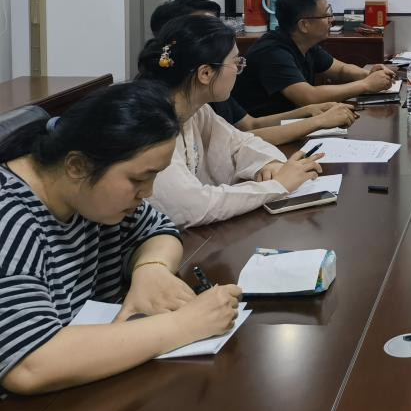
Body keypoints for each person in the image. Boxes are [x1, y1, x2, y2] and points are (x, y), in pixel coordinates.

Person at [0, 83, 242, 395]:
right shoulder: (10, 218)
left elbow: (160, 230)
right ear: (77, 166)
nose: (148, 193)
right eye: (139, 178)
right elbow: (29, 364)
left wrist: (151, 271)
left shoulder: (90, 197)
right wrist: (186, 324)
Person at [140, 15, 324, 227]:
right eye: (236, 62)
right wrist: (276, 185)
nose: (238, 69)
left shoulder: (196, 110)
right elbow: (191, 207)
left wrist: (269, 164)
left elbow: (240, 143)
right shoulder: (150, 124)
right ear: (205, 73)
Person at [149, 0, 358, 144]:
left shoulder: (204, 101)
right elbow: (239, 141)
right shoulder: (165, 114)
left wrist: (308, 112)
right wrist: (317, 121)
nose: (218, 34)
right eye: (206, 30)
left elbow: (248, 128)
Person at [233, 0, 395, 117]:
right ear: (304, 25)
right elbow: (308, 97)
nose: (331, 19)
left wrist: (369, 74)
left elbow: (340, 70)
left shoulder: (305, 43)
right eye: (326, 14)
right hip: (262, 133)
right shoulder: (272, 52)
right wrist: (366, 84)